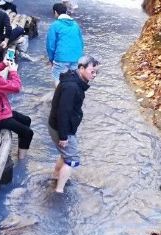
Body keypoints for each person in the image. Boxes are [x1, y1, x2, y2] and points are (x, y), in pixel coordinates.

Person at [48, 55, 98, 193]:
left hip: (58, 126)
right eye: (92, 71)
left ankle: (55, 177)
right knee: (72, 160)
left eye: (96, 72)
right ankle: (59, 191)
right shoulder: (71, 87)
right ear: (81, 68)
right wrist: (63, 136)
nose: (94, 75)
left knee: (66, 156)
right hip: (62, 128)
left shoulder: (72, 79)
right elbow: (63, 112)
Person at [0, 43, 33, 159]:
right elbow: (16, 87)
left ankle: (21, 145)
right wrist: (13, 71)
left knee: (26, 120)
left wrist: (4, 64)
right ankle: (21, 159)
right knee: (28, 133)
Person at [46, 3, 84, 86]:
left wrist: (51, 59)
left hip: (61, 58)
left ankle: (59, 98)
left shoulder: (55, 25)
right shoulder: (75, 25)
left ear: (55, 12)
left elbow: (50, 45)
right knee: (73, 83)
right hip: (76, 58)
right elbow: (81, 43)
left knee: (59, 82)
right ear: (66, 11)